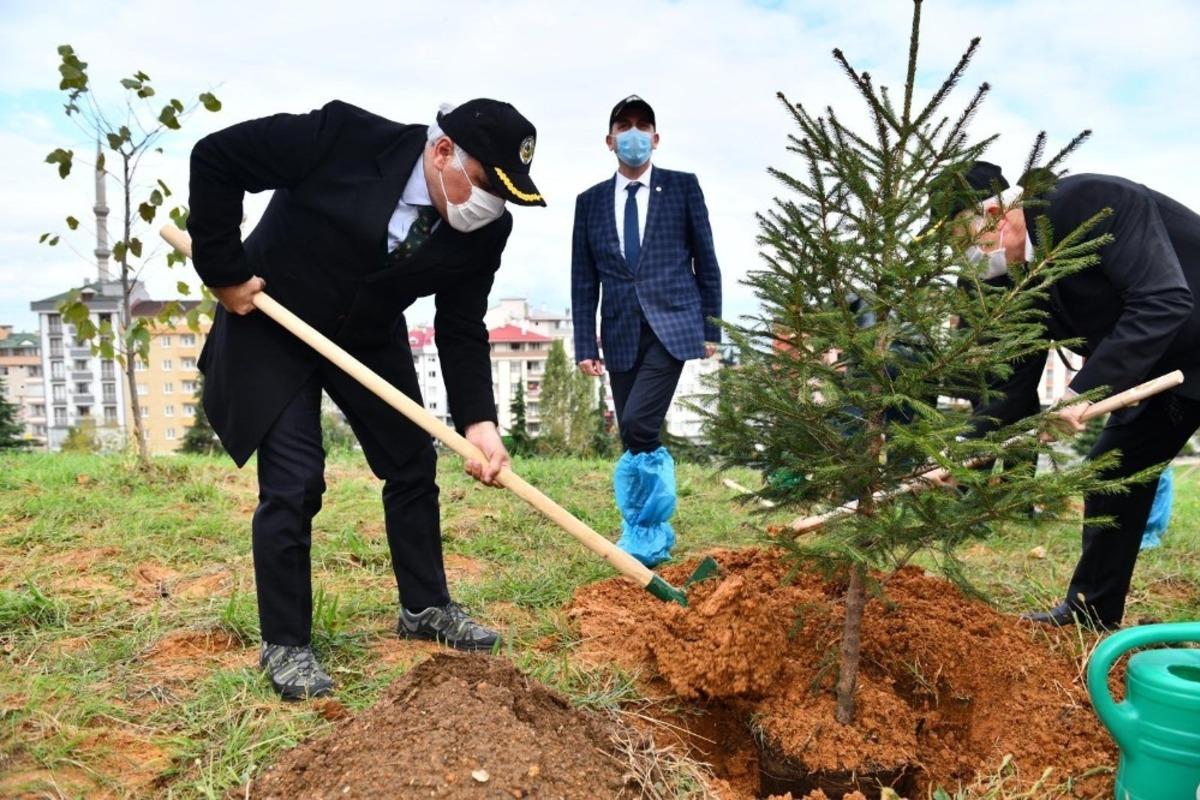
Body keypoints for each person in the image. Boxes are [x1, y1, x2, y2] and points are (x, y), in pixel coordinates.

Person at [187, 98, 546, 699]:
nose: (492, 205)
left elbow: (460, 327)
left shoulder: (486, 229)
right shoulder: (343, 136)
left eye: (505, 197)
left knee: (412, 461)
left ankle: (425, 608)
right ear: (442, 152)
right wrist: (223, 272)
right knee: (295, 480)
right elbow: (217, 158)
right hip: (274, 317)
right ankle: (286, 645)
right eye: (486, 186)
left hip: (365, 333)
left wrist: (479, 422)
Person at [940, 161, 1200, 629]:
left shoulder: (1086, 201)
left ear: (997, 213)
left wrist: (1082, 391)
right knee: (1112, 473)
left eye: (963, 240)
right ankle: (1091, 613)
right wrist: (962, 451)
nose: (966, 258)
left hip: (1181, 339)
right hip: (1162, 368)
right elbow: (1015, 383)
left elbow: (1164, 299)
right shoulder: (1022, 279)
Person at [570, 95, 722, 567]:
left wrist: (711, 325)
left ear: (655, 138)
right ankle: (643, 531)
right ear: (609, 139)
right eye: (624, 125)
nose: (634, 133)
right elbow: (582, 278)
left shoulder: (682, 188)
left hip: (673, 324)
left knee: (638, 423)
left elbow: (706, 258)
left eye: (643, 125)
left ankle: (651, 528)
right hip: (617, 331)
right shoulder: (590, 202)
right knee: (632, 437)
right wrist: (582, 343)